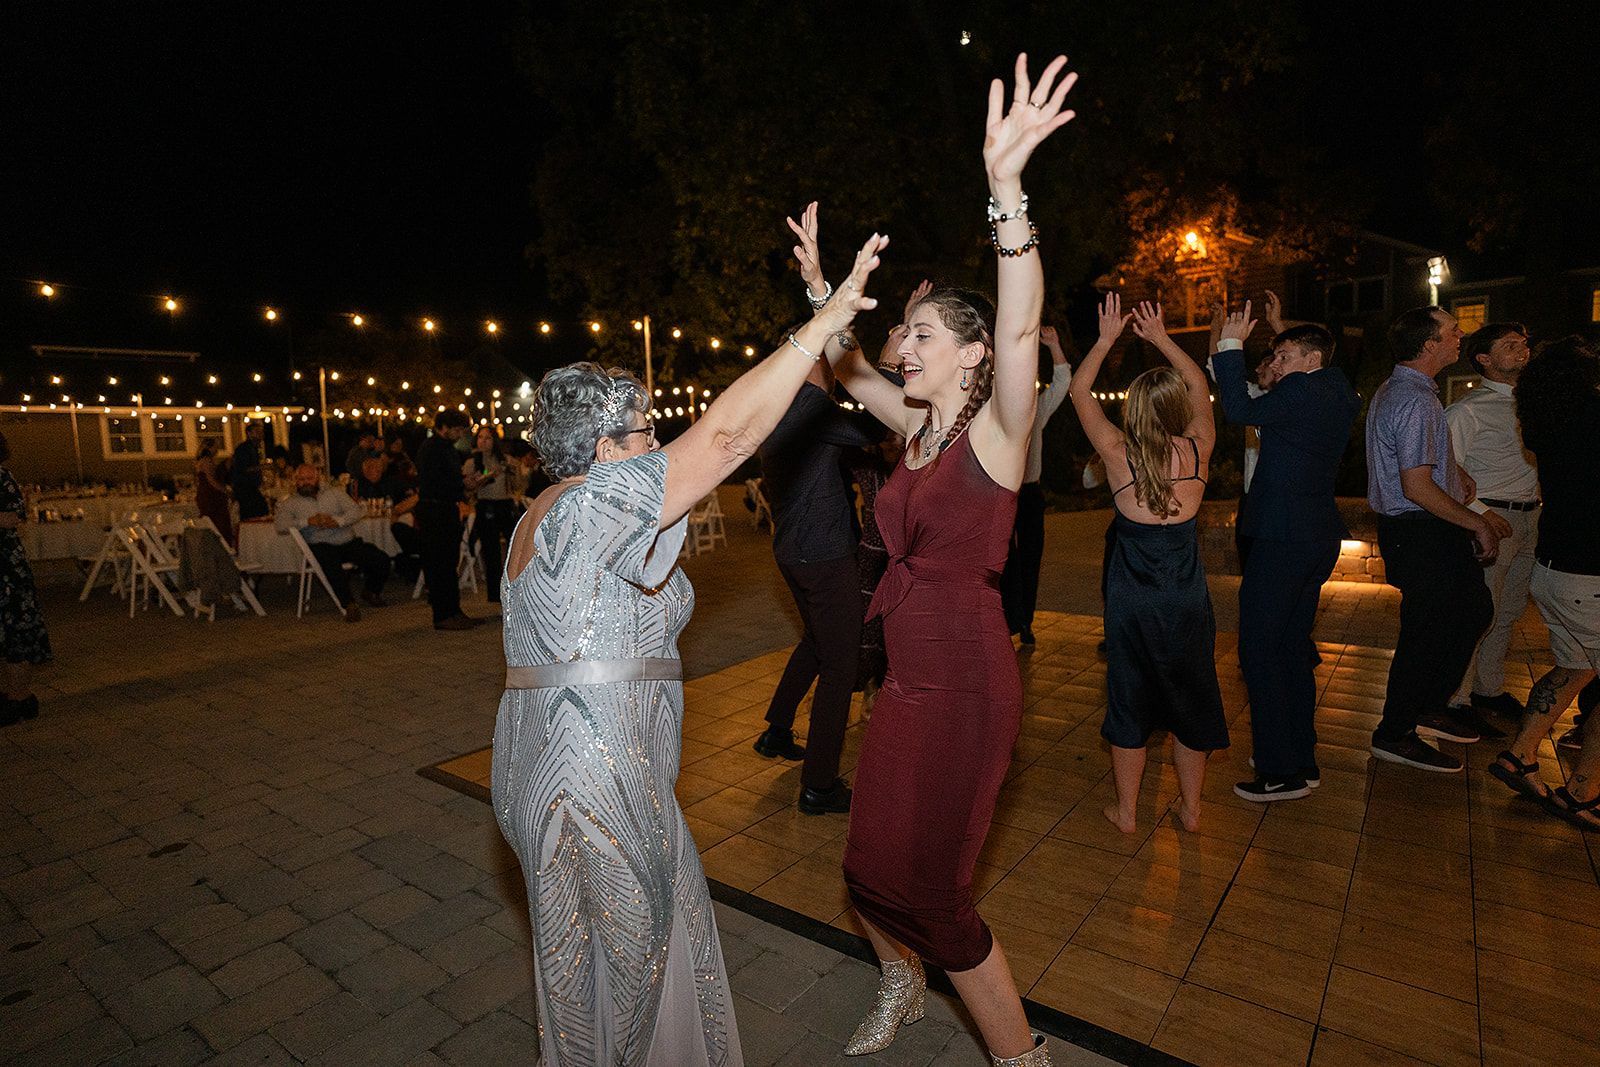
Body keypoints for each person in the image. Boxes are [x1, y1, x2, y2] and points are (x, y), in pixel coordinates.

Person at [492, 231, 888, 1067]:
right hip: (595, 767)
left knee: (579, 971)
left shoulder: (540, 517)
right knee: (631, 978)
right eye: (644, 433)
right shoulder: (597, 503)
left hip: (541, 760)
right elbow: (728, 437)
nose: (657, 444)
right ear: (605, 452)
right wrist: (819, 328)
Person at [818, 53, 1076, 1066]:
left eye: (923, 332)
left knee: (936, 891)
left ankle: (1021, 1057)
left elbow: (1020, 321)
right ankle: (899, 978)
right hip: (906, 676)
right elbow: (848, 366)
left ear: (971, 353)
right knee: (864, 864)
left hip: (967, 678)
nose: (905, 343)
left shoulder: (996, 433)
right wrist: (823, 293)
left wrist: (1006, 190)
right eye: (905, 331)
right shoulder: (916, 428)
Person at [1070, 295, 1230, 831]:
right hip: (1186, 596)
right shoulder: (1200, 447)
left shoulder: (1118, 453)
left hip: (1133, 598)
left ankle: (1127, 811)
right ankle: (1192, 809)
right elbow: (1199, 384)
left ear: (1135, 411)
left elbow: (1079, 391)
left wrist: (1105, 340)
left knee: (1130, 695)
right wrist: (1162, 338)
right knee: (1190, 695)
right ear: (1177, 410)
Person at [1213, 310, 1360, 801]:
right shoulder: (1337, 389)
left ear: (1311, 360)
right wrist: (1277, 341)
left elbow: (1238, 408)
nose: (1275, 363)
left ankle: (1280, 772)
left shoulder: (1302, 390)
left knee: (1259, 649)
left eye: (1284, 356)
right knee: (1292, 649)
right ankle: (1299, 757)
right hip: (1315, 533)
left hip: (1284, 535)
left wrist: (1231, 346)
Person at [750, 287, 883, 815]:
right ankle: (820, 784)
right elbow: (876, 426)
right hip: (824, 555)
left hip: (794, 550)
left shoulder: (779, 405)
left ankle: (777, 731)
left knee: (816, 642)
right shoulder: (811, 408)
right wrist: (881, 368)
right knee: (841, 665)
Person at [1365, 306, 1509, 771]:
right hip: (1419, 528)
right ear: (1429, 345)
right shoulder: (1415, 399)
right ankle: (1395, 732)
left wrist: (1453, 469)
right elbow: (1416, 487)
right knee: (1429, 632)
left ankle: (1426, 707)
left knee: (1469, 611)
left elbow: (1416, 462)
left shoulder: (1407, 390)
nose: (1460, 335)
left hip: (1420, 528)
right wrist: (1477, 522)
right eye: (1452, 331)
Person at [1488, 337, 1600, 827]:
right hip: (1590, 574)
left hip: (1556, 569)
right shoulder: (1592, 419)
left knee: (1575, 667)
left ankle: (1520, 755)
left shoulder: (1550, 421)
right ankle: (1583, 791)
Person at [1445, 323, 1537, 734]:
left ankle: (1489, 688)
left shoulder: (1532, 404)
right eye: (1510, 345)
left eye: (1523, 344)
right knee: (1481, 611)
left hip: (1530, 515)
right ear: (1484, 359)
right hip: (1492, 518)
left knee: (1510, 610)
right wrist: (1480, 513)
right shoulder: (1467, 410)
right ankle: (1457, 697)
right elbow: (1445, 468)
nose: (1522, 350)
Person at [1000, 324, 1071, 645]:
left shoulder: (1038, 409)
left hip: (1029, 494)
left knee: (1030, 558)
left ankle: (1025, 621)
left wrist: (1053, 344)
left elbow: (1063, 381)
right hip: (1002, 495)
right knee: (1003, 561)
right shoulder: (997, 411)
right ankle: (1006, 621)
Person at [275, 464, 392, 621]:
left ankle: (371, 591)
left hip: (346, 541)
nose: (305, 482)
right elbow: (280, 526)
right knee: (331, 565)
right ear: (296, 481)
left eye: (309, 478)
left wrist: (338, 521)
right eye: (301, 479)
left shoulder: (335, 493)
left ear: (317, 478)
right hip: (319, 544)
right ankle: (349, 604)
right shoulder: (291, 502)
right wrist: (307, 521)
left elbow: (356, 511)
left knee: (381, 559)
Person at [416, 410, 483, 631]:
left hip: (443, 509)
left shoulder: (443, 448)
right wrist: (463, 484)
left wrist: (463, 483)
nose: (460, 434)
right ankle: (444, 614)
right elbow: (438, 481)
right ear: (444, 427)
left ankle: (453, 610)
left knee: (448, 562)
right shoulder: (433, 449)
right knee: (440, 563)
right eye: (457, 429)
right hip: (436, 511)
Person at [0, 433, 50, 726]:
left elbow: (12, 517)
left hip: (7, 569)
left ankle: (20, 698)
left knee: (16, 632)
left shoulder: (3, 478)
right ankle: (11, 695)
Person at [350, 455, 423, 580]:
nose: (372, 470)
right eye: (368, 468)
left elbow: (409, 500)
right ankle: (372, 562)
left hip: (393, 518)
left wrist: (397, 511)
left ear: (381, 469)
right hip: (366, 520)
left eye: (376, 467)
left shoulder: (393, 482)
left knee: (402, 524)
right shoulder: (357, 484)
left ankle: (395, 560)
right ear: (363, 470)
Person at [465, 425, 516, 604]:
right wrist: (486, 477)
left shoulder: (505, 460)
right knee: (491, 550)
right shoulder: (473, 462)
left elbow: (517, 481)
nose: (483, 442)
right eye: (480, 437)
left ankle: (514, 586)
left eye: (487, 438)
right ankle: (495, 592)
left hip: (504, 503)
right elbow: (468, 487)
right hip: (485, 504)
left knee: (512, 545)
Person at [194, 437, 234, 544]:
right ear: (210, 447)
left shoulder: (203, 460)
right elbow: (211, 480)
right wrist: (225, 491)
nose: (217, 449)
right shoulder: (206, 461)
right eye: (216, 447)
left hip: (207, 494)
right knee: (217, 523)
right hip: (211, 496)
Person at [230, 419, 269, 521]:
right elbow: (243, 468)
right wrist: (262, 467)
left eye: (261, 432)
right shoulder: (243, 449)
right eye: (257, 432)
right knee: (255, 512)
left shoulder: (254, 448)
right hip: (245, 488)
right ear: (249, 433)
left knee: (260, 510)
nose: (261, 435)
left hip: (251, 487)